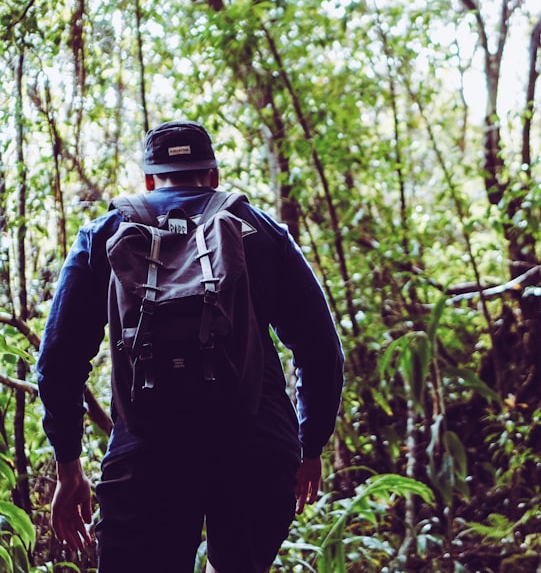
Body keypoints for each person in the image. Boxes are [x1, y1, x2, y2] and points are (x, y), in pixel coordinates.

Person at [36, 120, 345, 573]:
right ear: (214, 176)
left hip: (147, 454)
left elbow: (58, 364)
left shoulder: (101, 235)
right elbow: (321, 351)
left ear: (148, 180)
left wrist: (69, 467)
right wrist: (310, 443)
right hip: (256, 449)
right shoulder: (262, 232)